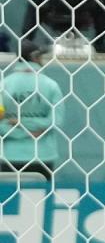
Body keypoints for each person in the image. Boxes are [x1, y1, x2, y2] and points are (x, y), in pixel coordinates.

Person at [0, 41, 64, 180]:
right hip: (43, 155)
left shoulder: (4, 85)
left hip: (10, 154)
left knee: (8, 199)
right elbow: (55, 121)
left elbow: (1, 125)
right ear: (35, 57)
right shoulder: (51, 85)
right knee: (41, 198)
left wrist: (19, 123)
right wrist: (35, 128)